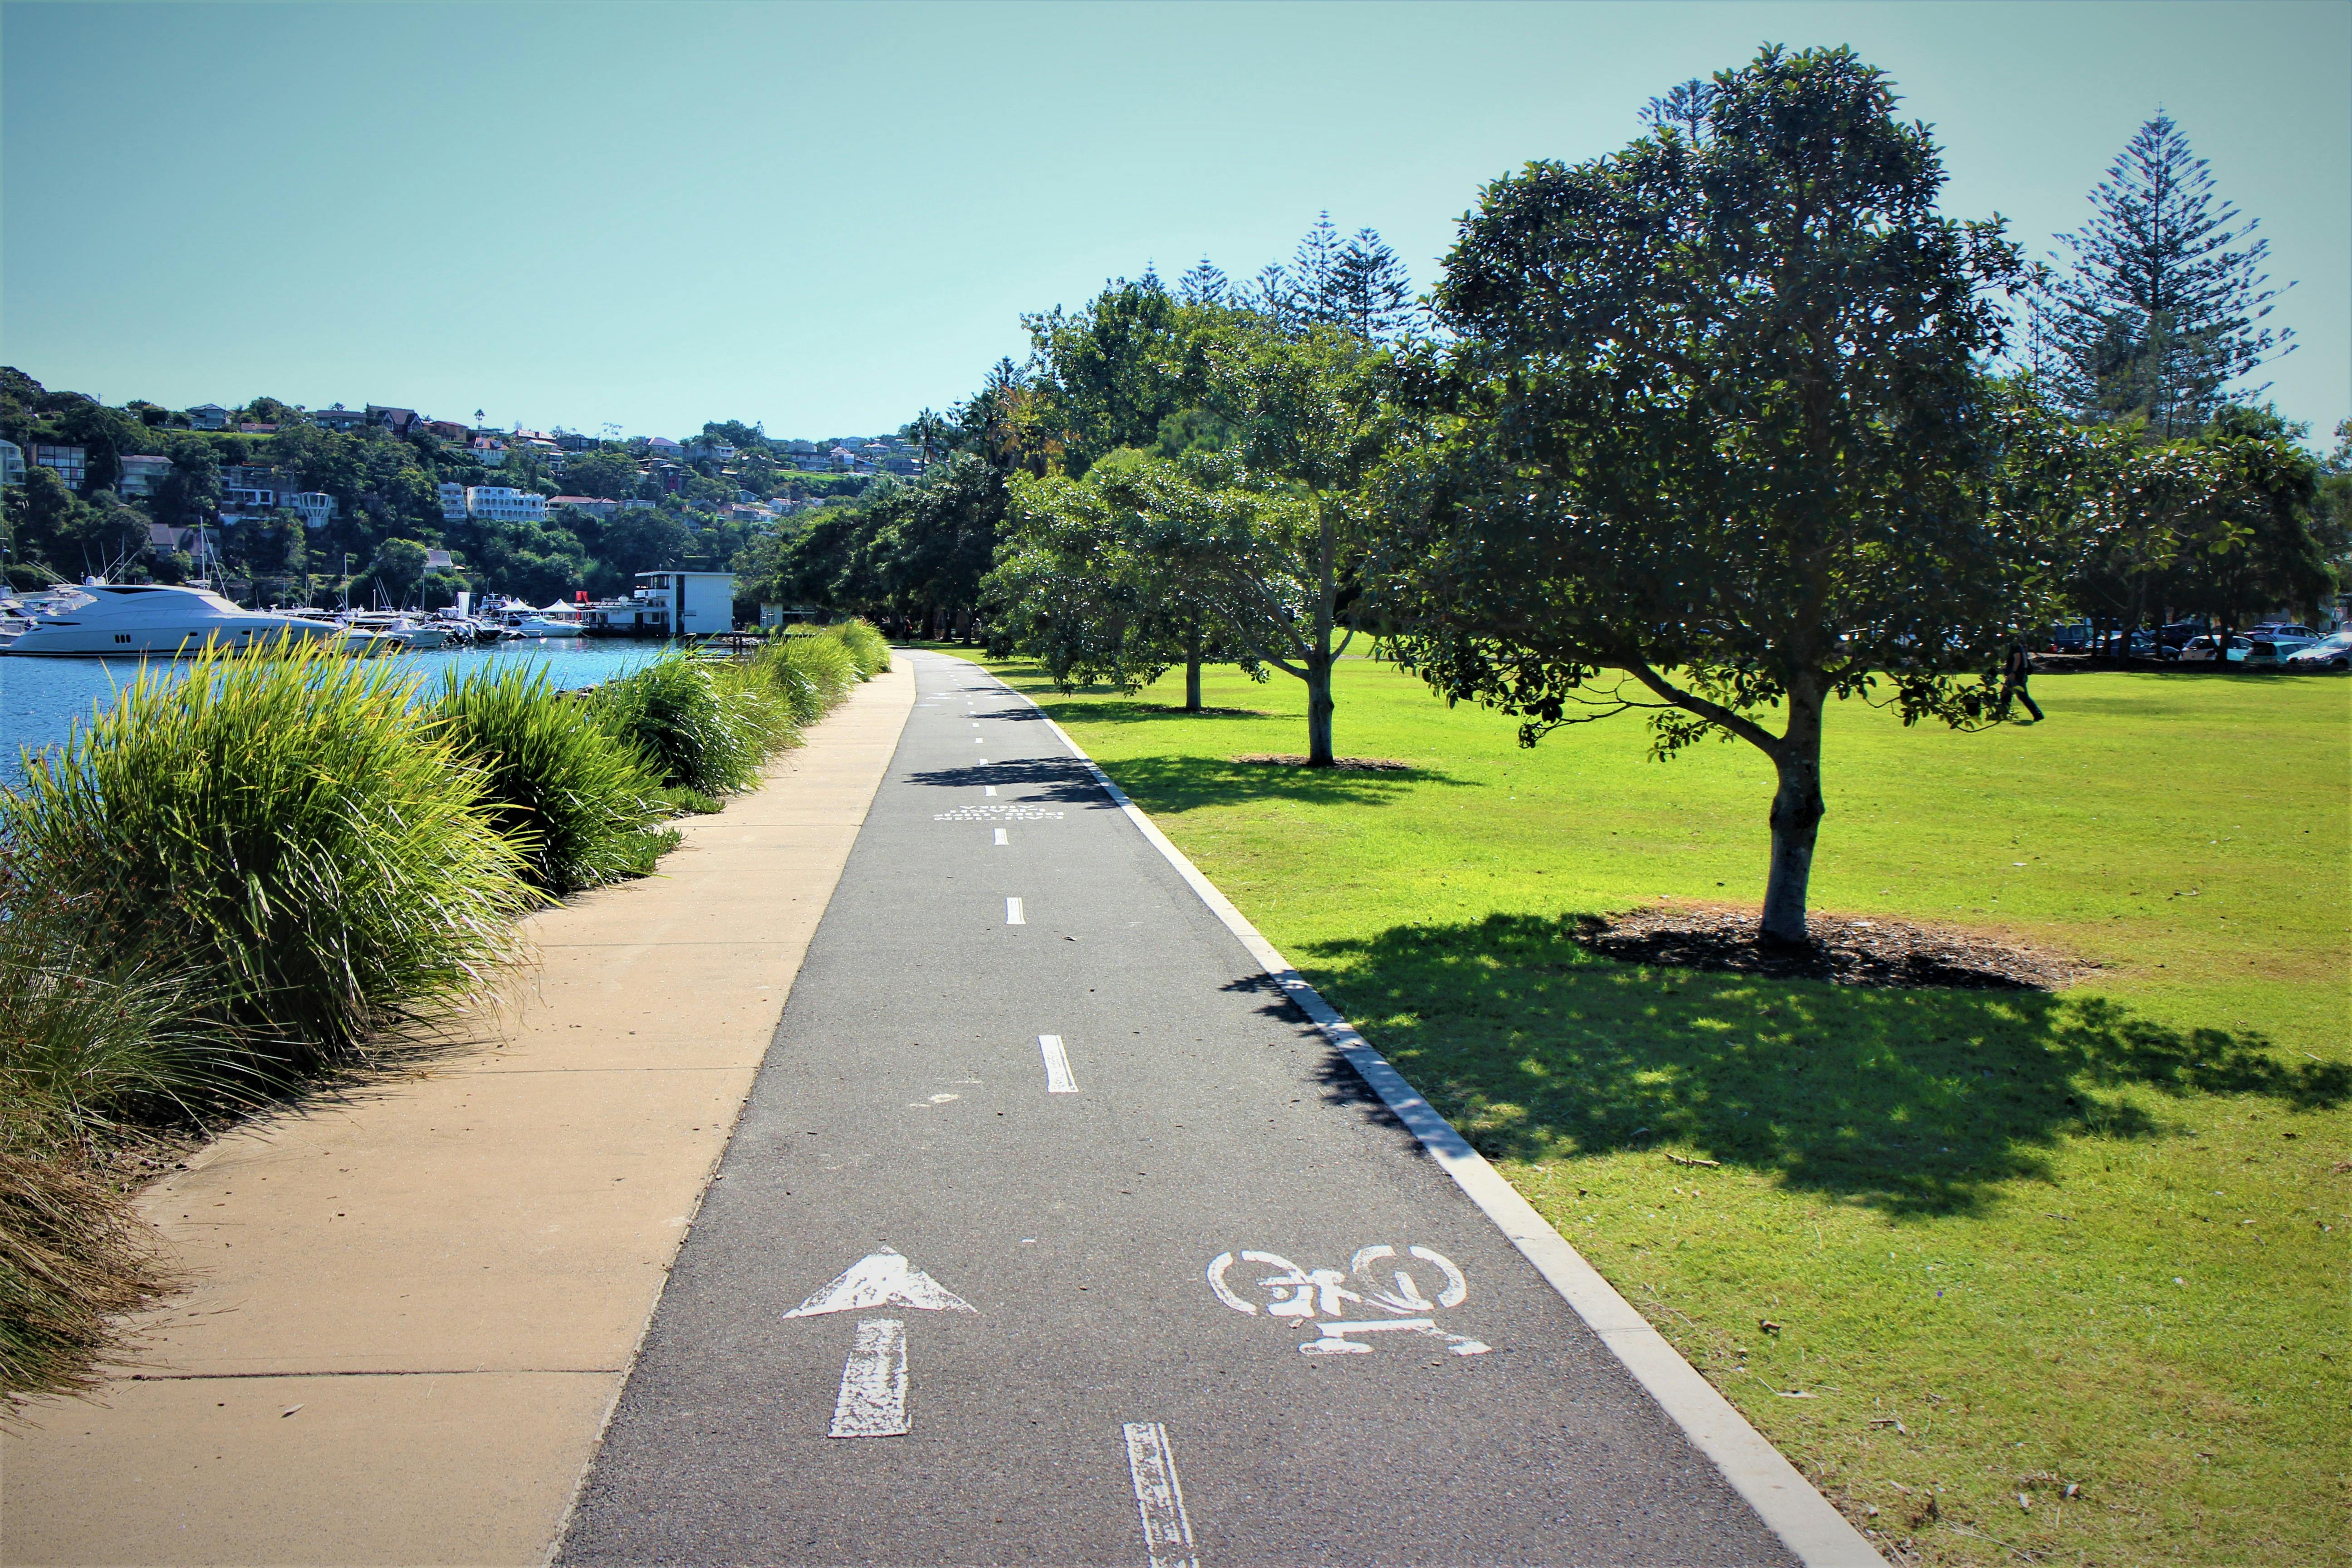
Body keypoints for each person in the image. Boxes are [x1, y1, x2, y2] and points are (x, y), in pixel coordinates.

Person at [2000, 640, 2043, 722]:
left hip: (2017, 675)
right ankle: (2002, 714)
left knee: (2022, 696)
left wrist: (2014, 672)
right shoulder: (2019, 646)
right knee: (2006, 693)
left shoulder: (2015, 646)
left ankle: (2038, 714)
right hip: (2018, 674)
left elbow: (2018, 659)